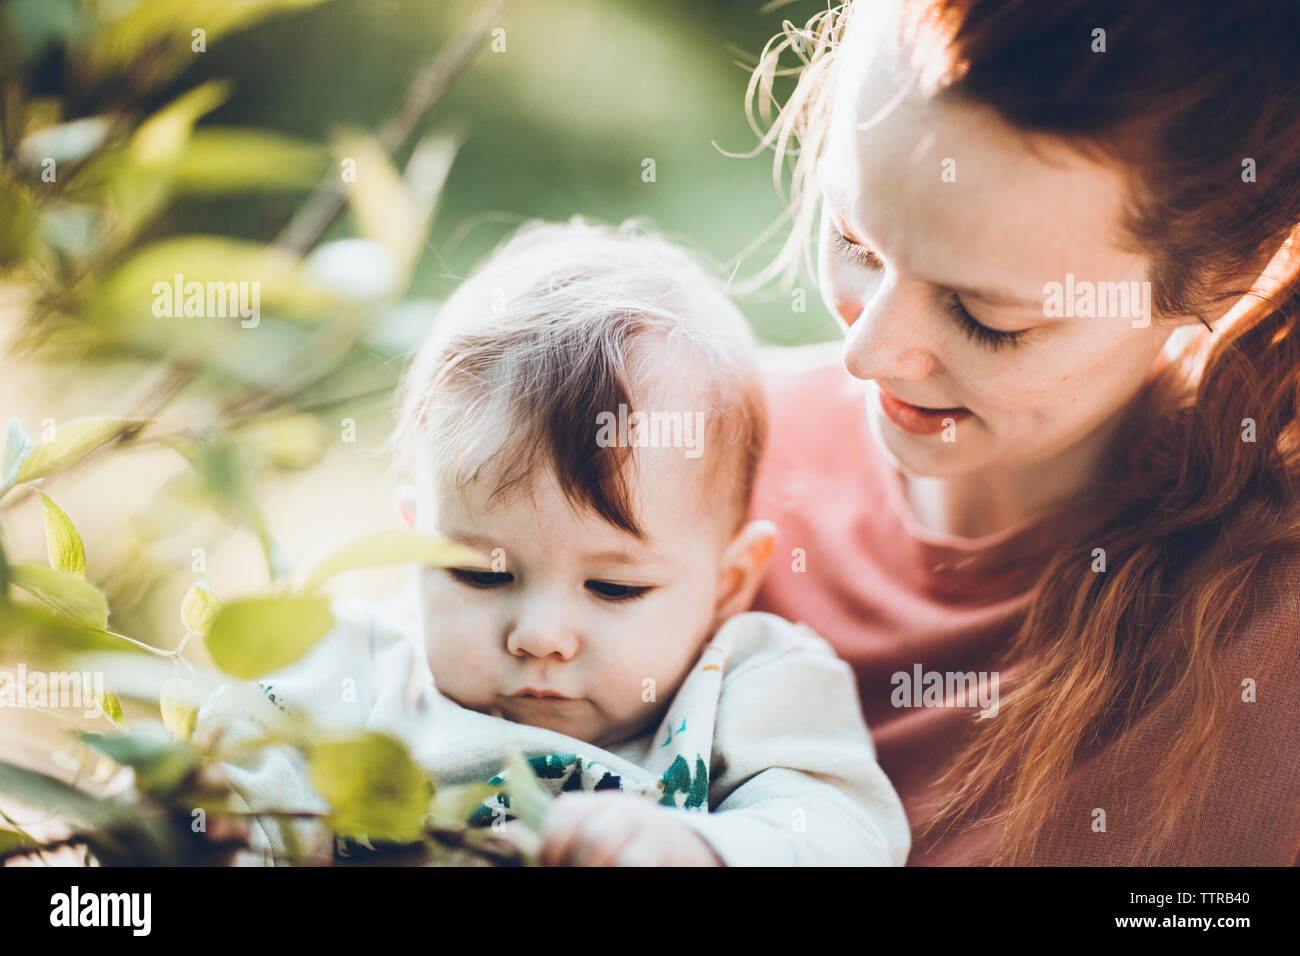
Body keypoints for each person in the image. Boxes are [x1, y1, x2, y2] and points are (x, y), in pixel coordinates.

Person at [742, 0, 1300, 864]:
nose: (868, 353)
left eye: (987, 318)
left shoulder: (1261, 658)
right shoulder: (697, 453)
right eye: (856, 239)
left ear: (1229, 274)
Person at [195, 217, 910, 867]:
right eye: (480, 575)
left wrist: (698, 849)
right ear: (417, 547)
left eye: (615, 587)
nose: (539, 637)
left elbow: (841, 834)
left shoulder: (752, 686)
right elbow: (238, 786)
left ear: (726, 586)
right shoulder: (353, 674)